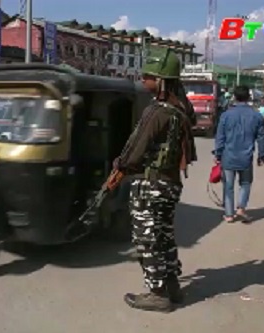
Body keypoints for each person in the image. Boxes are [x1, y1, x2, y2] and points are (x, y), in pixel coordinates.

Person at [106, 48, 196, 312]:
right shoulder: (179, 110)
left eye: (148, 75)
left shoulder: (156, 112)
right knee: (164, 236)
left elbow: (134, 151)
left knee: (148, 239)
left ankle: (158, 294)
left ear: (161, 80)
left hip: (151, 186)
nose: (143, 78)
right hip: (170, 185)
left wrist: (118, 169)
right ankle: (172, 287)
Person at [213, 85, 264, 223]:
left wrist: (217, 154)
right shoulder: (257, 116)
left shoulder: (226, 115)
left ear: (235, 98)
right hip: (246, 158)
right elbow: (262, 138)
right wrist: (262, 155)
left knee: (228, 186)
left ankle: (229, 215)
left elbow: (220, 137)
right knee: (245, 183)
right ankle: (241, 208)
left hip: (228, 157)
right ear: (249, 98)